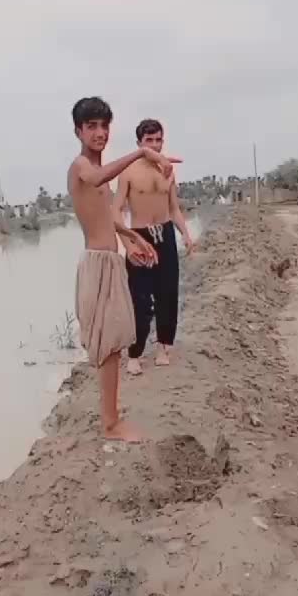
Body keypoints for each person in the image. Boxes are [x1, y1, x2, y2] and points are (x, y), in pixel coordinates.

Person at [68, 97, 181, 443]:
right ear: (78, 131)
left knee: (114, 342)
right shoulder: (82, 167)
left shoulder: (99, 174)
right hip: (97, 263)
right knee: (108, 345)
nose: (99, 133)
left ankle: (111, 419)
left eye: (104, 126)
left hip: (111, 260)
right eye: (91, 126)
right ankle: (110, 424)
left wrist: (132, 239)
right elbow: (98, 176)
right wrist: (142, 154)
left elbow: (109, 219)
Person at [112, 118, 193, 376]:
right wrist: (128, 244)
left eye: (159, 140)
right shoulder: (128, 172)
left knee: (167, 294)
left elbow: (174, 208)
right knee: (139, 299)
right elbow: (116, 211)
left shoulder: (167, 170)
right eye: (149, 140)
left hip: (165, 235)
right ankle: (135, 354)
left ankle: (163, 348)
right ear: (139, 143)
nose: (155, 145)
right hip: (140, 236)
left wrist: (185, 234)